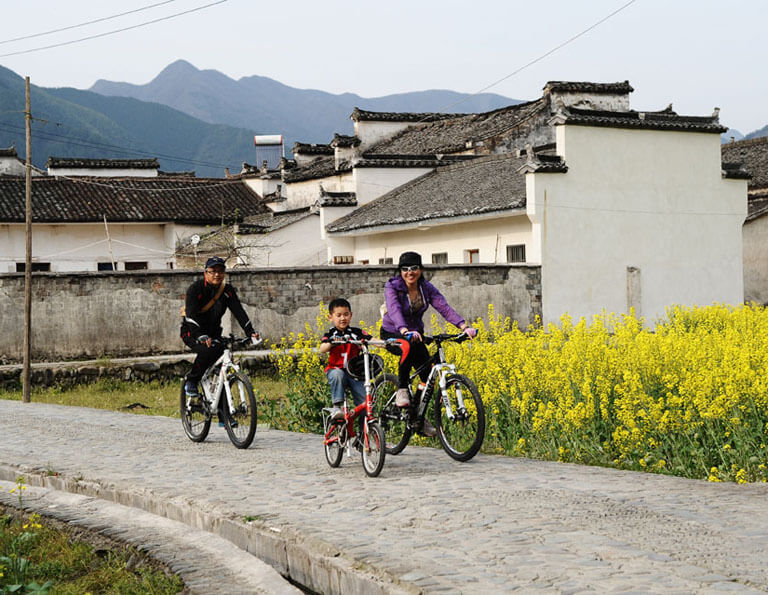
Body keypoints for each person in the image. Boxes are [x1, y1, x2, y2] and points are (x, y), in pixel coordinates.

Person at [380, 251, 477, 437]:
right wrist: (403, 330)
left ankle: (416, 415)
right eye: (405, 269)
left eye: (414, 268)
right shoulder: (393, 287)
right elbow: (394, 310)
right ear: (400, 271)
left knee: (429, 378)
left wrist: (464, 326)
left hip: (416, 334)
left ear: (421, 269)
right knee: (406, 347)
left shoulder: (426, 288)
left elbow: (443, 307)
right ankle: (401, 389)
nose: (410, 272)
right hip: (394, 332)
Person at [180, 257, 259, 424]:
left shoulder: (227, 290)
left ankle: (224, 414)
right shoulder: (195, 289)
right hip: (192, 331)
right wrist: (200, 336)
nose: (217, 274)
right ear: (205, 273)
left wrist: (250, 332)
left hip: (214, 332)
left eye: (220, 271)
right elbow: (191, 315)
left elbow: (239, 311)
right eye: (213, 271)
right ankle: (192, 380)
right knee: (206, 351)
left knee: (222, 367)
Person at [319, 298, 372, 421]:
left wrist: (387, 343)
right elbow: (322, 348)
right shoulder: (331, 334)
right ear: (330, 317)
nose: (343, 318)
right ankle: (336, 407)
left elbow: (371, 339)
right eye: (338, 315)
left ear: (351, 315)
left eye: (346, 314)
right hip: (336, 370)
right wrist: (332, 343)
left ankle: (363, 430)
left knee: (365, 402)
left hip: (354, 373)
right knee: (337, 374)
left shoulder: (356, 333)